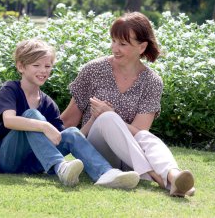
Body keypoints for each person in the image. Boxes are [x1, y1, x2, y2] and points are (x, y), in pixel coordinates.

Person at [61, 12, 195, 197]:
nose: (115, 48)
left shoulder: (152, 81)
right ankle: (161, 179)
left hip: (129, 158)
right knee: (107, 118)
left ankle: (174, 175)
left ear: (142, 47)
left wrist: (112, 114)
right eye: (113, 41)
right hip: (97, 153)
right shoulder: (93, 70)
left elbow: (139, 133)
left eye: (123, 44)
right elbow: (68, 121)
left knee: (147, 138)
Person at [0, 38, 140, 189]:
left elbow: (61, 138)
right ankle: (61, 168)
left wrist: (94, 118)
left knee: (71, 132)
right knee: (31, 114)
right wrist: (44, 126)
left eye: (47, 66)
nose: (43, 71)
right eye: (36, 65)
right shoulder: (10, 89)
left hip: (34, 163)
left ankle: (106, 174)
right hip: (5, 160)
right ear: (21, 66)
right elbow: (9, 120)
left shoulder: (48, 104)